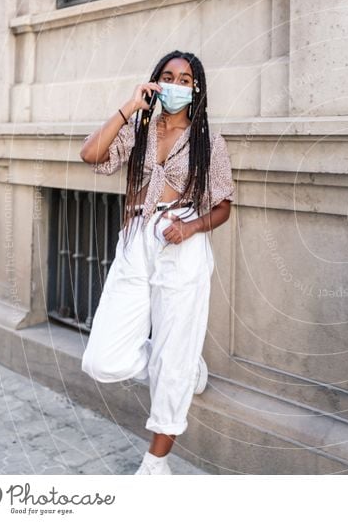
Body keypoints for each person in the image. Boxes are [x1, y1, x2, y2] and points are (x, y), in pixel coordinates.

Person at [78, 50, 235, 475]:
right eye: (167, 76)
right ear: (154, 82)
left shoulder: (209, 142)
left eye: (184, 80)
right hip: (135, 238)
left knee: (174, 354)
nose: (175, 84)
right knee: (102, 360)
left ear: (195, 89)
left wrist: (191, 228)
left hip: (182, 240)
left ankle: (155, 463)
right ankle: (181, 364)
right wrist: (131, 106)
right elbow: (91, 154)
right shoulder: (139, 129)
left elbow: (223, 207)